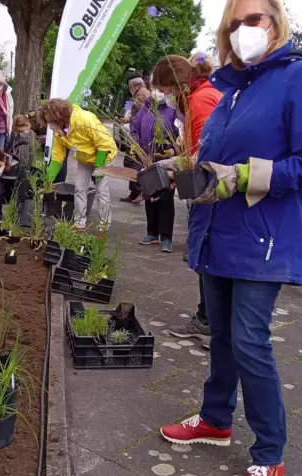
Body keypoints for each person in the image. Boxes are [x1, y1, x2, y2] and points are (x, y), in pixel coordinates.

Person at [159, 1, 302, 476]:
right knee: (221, 335)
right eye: (233, 24)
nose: (242, 30)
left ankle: (270, 456)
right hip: (219, 232)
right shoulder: (233, 89)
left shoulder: (299, 78)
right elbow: (215, 157)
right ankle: (216, 420)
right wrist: (184, 163)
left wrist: (245, 177)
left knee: (249, 342)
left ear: (276, 23)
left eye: (252, 19)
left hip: (263, 236)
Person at [150, 52, 222, 346]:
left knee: (206, 256)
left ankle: (209, 322)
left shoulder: (201, 100)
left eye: (166, 90)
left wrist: (173, 168)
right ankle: (209, 320)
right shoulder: (203, 95)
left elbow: (209, 154)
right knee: (206, 255)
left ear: (178, 84)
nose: (165, 97)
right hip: (210, 185)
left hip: (211, 190)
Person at [39, 98, 118, 230]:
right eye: (48, 122)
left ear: (60, 116)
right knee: (79, 189)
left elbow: (104, 145)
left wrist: (98, 169)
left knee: (101, 191)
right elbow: (58, 156)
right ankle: (79, 223)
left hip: (104, 156)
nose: (50, 125)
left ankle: (103, 226)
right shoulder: (59, 130)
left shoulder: (85, 120)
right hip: (84, 159)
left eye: (52, 121)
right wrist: (48, 180)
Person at [132, 90, 180, 253]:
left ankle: (166, 237)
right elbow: (134, 127)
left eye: (161, 88)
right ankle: (152, 232)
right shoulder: (145, 108)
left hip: (165, 161)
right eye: (155, 88)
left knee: (165, 198)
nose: (157, 92)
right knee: (149, 195)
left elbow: (181, 134)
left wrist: (174, 150)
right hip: (146, 159)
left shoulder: (173, 109)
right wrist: (135, 145)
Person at [119, 71, 151, 204]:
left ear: (133, 85)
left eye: (129, 86)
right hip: (138, 135)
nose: (129, 89)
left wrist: (128, 119)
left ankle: (139, 190)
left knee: (132, 162)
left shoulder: (141, 95)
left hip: (139, 136)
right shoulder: (143, 93)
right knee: (132, 162)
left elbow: (143, 117)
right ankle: (134, 192)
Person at [4, 115, 35, 227]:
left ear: (27, 125)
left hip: (25, 167)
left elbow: (31, 154)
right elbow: (10, 151)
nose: (22, 131)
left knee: (26, 191)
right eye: (19, 130)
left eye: (23, 128)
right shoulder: (14, 136)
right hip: (17, 167)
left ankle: (20, 216)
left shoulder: (31, 135)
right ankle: (15, 217)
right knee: (20, 191)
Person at [0, 147, 28, 223]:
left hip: (17, 193)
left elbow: (22, 190)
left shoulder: (17, 166)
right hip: (3, 194)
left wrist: (15, 213)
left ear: (4, 159)